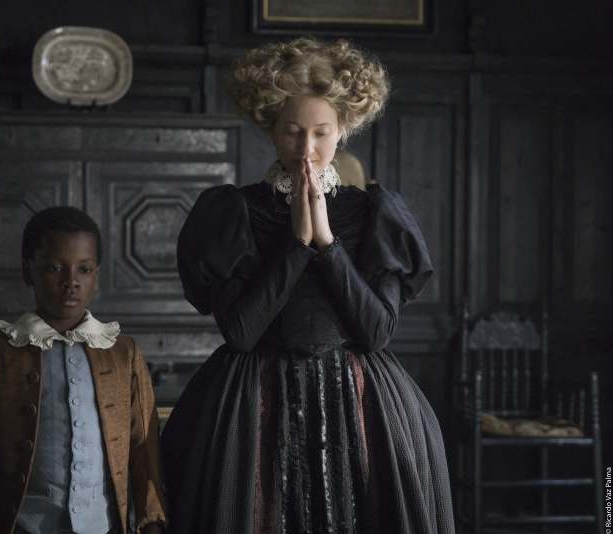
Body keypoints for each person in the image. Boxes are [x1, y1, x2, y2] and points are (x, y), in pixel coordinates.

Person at [160, 38, 454, 533]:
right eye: (292, 132)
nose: (306, 150)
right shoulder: (234, 210)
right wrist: (296, 244)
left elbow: (376, 333)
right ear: (271, 130)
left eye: (321, 133)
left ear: (343, 130)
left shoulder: (374, 213)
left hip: (361, 400)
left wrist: (327, 243)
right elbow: (241, 334)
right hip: (253, 401)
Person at [0, 206, 168, 534]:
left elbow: (144, 450)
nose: (71, 282)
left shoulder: (124, 354)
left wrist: (151, 523)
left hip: (105, 526)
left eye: (85, 269)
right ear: (28, 272)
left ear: (96, 275)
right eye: (55, 268)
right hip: (25, 526)